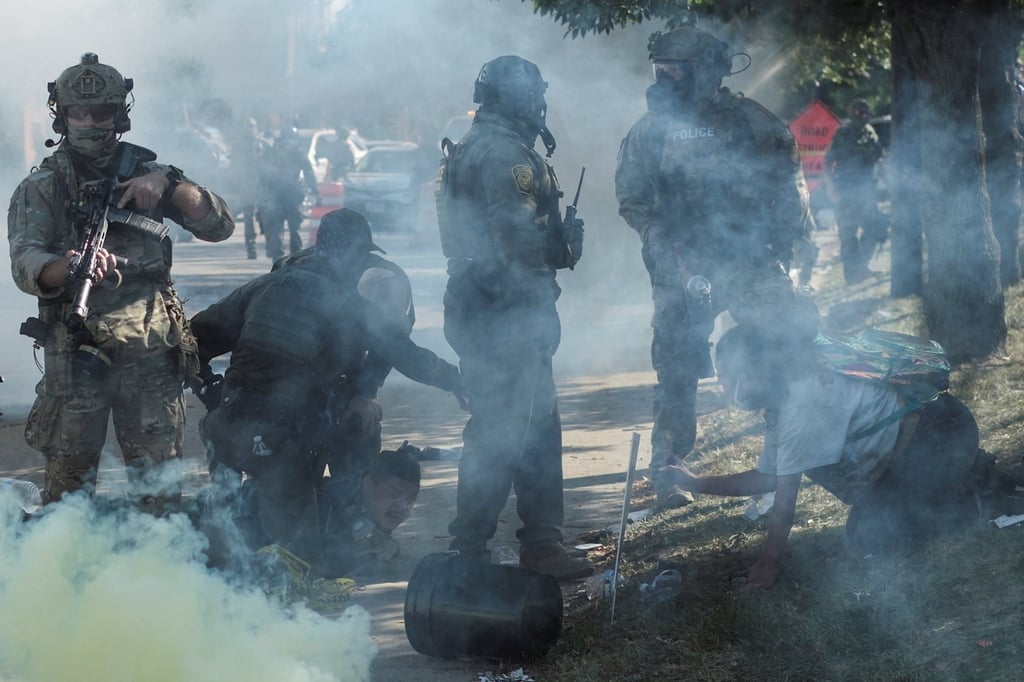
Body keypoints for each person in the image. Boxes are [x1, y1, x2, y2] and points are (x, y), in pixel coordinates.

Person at [7, 52, 235, 514]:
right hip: (76, 348)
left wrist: (169, 187)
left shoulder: (148, 172)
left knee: (158, 489)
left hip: (151, 344)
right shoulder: (43, 187)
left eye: (102, 113)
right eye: (79, 113)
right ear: (62, 114)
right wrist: (68, 266)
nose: (90, 123)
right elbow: (25, 261)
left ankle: (159, 574)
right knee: (68, 494)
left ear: (121, 115)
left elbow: (220, 225)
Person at [190, 207, 463, 586]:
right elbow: (408, 355)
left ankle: (212, 569)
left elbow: (190, 339)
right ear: (353, 255)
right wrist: (459, 382)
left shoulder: (267, 284)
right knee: (302, 567)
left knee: (224, 526)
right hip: (279, 447)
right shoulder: (346, 303)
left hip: (225, 431)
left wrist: (211, 391)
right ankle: (324, 553)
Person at [615, 23, 814, 510]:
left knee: (787, 346)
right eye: (659, 70)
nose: (663, 80)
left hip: (749, 261)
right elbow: (631, 198)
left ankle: (797, 452)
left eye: (674, 71)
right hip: (682, 268)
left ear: (704, 71)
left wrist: (788, 246)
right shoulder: (648, 131)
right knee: (676, 368)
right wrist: (661, 239)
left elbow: (789, 186)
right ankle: (667, 473)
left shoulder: (753, 122)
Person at [664, 322, 984, 590]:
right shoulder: (786, 393)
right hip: (924, 443)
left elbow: (784, 500)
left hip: (941, 437)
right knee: (868, 531)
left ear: (753, 372)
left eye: (728, 377)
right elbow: (769, 477)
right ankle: (963, 479)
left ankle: (973, 500)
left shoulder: (802, 405)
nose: (724, 386)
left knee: (873, 539)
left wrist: (768, 565)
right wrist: (694, 483)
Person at [436, 54, 592, 580]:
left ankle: (525, 543)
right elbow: (518, 239)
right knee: (506, 431)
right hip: (503, 309)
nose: (540, 104)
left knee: (532, 425)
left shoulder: (476, 144)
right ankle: (477, 550)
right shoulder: (506, 155)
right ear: (519, 97)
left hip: (481, 304)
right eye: (534, 94)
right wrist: (536, 309)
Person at [318, 446, 422, 579]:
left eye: (410, 498)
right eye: (393, 493)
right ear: (367, 483)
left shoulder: (371, 509)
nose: (402, 507)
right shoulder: (330, 509)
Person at [824, 99, 888, 284]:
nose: (863, 116)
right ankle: (853, 275)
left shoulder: (870, 133)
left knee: (875, 228)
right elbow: (827, 162)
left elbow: (879, 160)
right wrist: (831, 188)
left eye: (865, 112)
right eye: (859, 113)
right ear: (852, 114)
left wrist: (891, 184)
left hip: (867, 189)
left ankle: (861, 266)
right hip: (846, 190)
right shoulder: (843, 133)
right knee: (849, 234)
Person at [257, 125, 320, 260]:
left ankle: (277, 258)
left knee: (277, 228)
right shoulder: (297, 150)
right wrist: (315, 191)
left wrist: (262, 192)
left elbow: (262, 173)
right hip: (292, 194)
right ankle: (295, 259)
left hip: (277, 194)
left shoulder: (273, 150)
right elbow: (308, 172)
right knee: (294, 228)